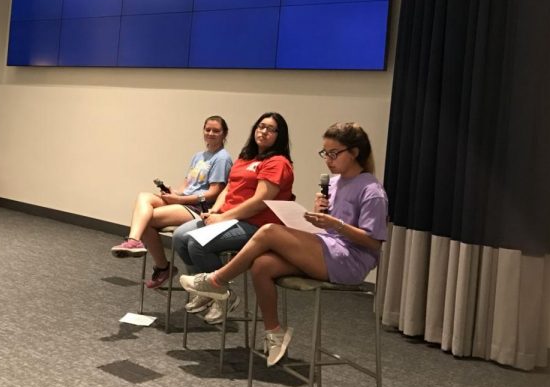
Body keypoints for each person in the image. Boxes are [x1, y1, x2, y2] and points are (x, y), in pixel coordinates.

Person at [179, 122, 387, 366]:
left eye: (334, 153)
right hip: (328, 247)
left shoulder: (372, 190)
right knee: (262, 265)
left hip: (350, 260)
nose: (328, 160)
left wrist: (336, 224)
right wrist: (319, 218)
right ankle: (274, 333)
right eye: (325, 153)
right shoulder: (335, 182)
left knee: (268, 231)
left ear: (354, 153)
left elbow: (374, 242)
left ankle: (216, 281)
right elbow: (330, 227)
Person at [172, 112, 294, 324]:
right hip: (230, 217)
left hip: (256, 224)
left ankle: (221, 294)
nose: (263, 131)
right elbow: (229, 187)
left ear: (279, 135)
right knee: (179, 236)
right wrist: (216, 212)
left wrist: (224, 217)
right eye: (260, 126)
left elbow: (259, 202)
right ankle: (207, 291)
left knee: (197, 243)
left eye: (270, 129)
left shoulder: (277, 162)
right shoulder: (247, 156)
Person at [111, 116, 233, 289]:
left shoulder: (222, 158)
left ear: (224, 134)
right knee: (143, 197)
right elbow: (187, 185)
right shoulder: (199, 156)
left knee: (147, 219)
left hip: (198, 208)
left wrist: (180, 199)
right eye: (208, 129)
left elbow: (214, 194)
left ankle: (162, 267)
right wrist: (173, 192)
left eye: (216, 131)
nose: (211, 133)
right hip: (183, 201)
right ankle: (134, 240)